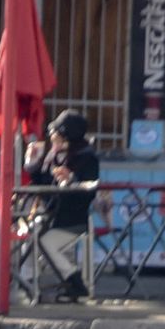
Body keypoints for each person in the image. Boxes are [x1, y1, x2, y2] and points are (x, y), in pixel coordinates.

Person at [25, 109, 100, 302]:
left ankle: (76, 284)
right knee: (27, 235)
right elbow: (41, 184)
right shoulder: (54, 156)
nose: (52, 138)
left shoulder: (87, 157)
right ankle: (27, 283)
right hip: (48, 215)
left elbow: (89, 191)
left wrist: (72, 179)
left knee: (44, 242)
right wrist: (32, 164)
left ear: (67, 136)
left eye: (56, 135)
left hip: (71, 219)